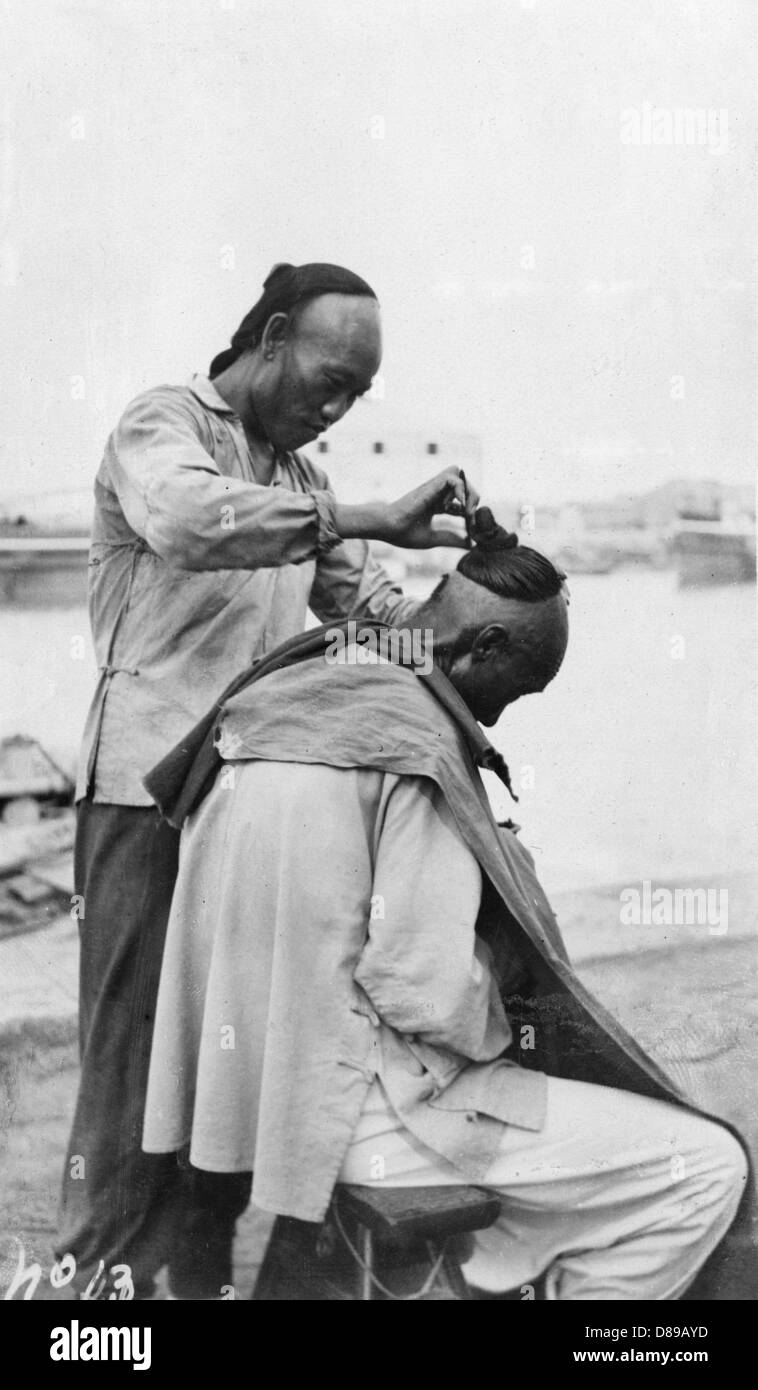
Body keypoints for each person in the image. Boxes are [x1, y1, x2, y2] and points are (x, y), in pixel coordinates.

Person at [142, 525, 748, 1300]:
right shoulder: (416, 745)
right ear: (486, 646)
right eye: (518, 688)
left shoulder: (284, 691)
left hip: (248, 1102)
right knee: (703, 1167)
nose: (497, 718)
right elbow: (423, 989)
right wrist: (502, 970)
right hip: (365, 1114)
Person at [57, 260, 479, 1300]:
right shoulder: (162, 424)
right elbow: (189, 522)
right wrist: (366, 516)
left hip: (234, 818)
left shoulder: (302, 485)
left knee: (213, 1078)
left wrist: (486, 609)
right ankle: (93, 1300)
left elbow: (379, 622)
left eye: (356, 397)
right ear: (274, 333)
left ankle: (187, 1288)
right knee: (126, 1077)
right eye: (328, 379)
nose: (333, 408)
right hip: (136, 804)